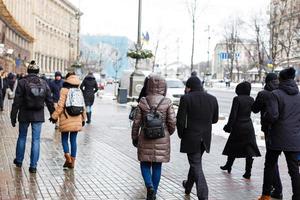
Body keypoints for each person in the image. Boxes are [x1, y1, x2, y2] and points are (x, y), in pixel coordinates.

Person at [258, 67, 300, 200]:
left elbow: (272, 116)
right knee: (294, 170)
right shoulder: (299, 96)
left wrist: (265, 117)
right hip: (294, 138)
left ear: (281, 79)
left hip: (276, 137)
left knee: (270, 166)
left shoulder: (275, 94)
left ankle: (265, 195)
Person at [132, 74, 176, 200]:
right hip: (162, 137)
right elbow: (172, 122)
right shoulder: (167, 102)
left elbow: (136, 122)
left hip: (145, 137)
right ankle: (153, 193)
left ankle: (149, 186)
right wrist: (167, 133)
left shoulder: (143, 101)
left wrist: (134, 137)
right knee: (157, 166)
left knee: (145, 164)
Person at [176, 76, 218, 200]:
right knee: (195, 163)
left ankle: (203, 195)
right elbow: (214, 120)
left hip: (191, 137)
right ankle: (188, 186)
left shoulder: (186, 98)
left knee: (196, 164)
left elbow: (181, 120)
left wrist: (181, 134)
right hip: (205, 138)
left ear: (189, 87)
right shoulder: (212, 98)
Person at [11, 60, 55, 173]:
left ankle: (19, 161)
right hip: (38, 115)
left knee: (22, 137)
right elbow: (49, 100)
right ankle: (33, 166)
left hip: (24, 114)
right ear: (38, 71)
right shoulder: (44, 83)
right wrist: (53, 114)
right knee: (36, 140)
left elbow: (17, 101)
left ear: (28, 70)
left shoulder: (22, 82)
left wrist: (13, 115)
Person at [220, 81, 261, 179]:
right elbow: (255, 110)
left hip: (238, 126)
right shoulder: (251, 99)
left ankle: (228, 165)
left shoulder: (237, 99)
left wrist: (228, 126)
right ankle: (248, 172)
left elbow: (233, 115)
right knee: (249, 149)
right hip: (248, 126)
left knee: (233, 146)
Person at [252, 73, 282, 199]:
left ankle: (277, 188)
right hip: (283, 129)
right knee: (275, 160)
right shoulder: (281, 91)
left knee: (271, 160)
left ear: (266, 81)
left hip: (269, 129)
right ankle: (276, 188)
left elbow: (255, 109)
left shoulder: (264, 93)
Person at [49, 72, 86, 169]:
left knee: (64, 139)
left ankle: (68, 157)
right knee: (73, 140)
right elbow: (83, 106)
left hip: (66, 118)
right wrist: (84, 118)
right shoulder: (79, 90)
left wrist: (54, 116)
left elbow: (60, 106)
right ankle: (72, 162)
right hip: (77, 118)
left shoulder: (64, 90)